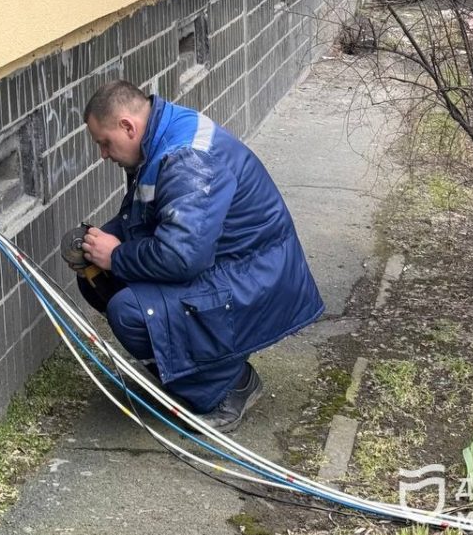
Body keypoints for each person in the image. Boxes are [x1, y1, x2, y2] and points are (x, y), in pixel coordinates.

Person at [71, 80, 324, 432]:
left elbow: (181, 257)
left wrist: (117, 256)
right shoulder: (161, 137)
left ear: (128, 126)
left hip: (257, 279)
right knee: (97, 279)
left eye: (104, 142)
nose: (103, 154)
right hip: (234, 265)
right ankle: (191, 369)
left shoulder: (187, 160)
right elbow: (149, 218)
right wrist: (101, 241)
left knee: (130, 311)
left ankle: (229, 387)